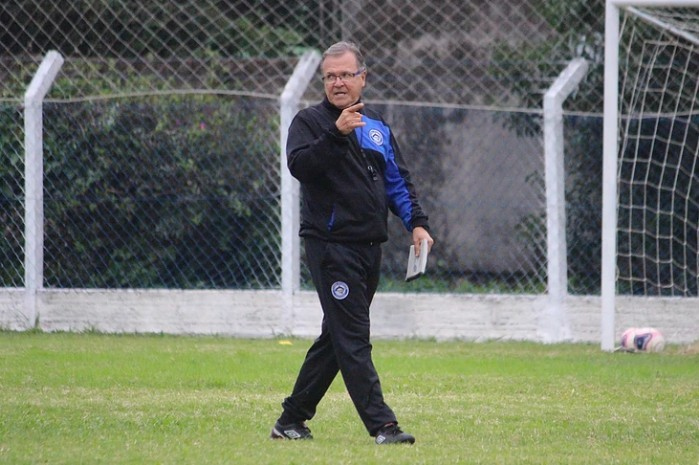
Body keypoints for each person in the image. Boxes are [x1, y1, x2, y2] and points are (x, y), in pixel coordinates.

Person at [270, 41, 434, 445]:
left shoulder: (377, 125)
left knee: (336, 338)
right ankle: (383, 426)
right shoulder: (309, 123)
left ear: (363, 77)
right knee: (354, 336)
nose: (338, 82)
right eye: (331, 76)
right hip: (330, 246)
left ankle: (290, 420)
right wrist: (336, 134)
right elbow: (301, 167)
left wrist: (416, 223)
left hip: (369, 247)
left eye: (346, 75)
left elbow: (397, 180)